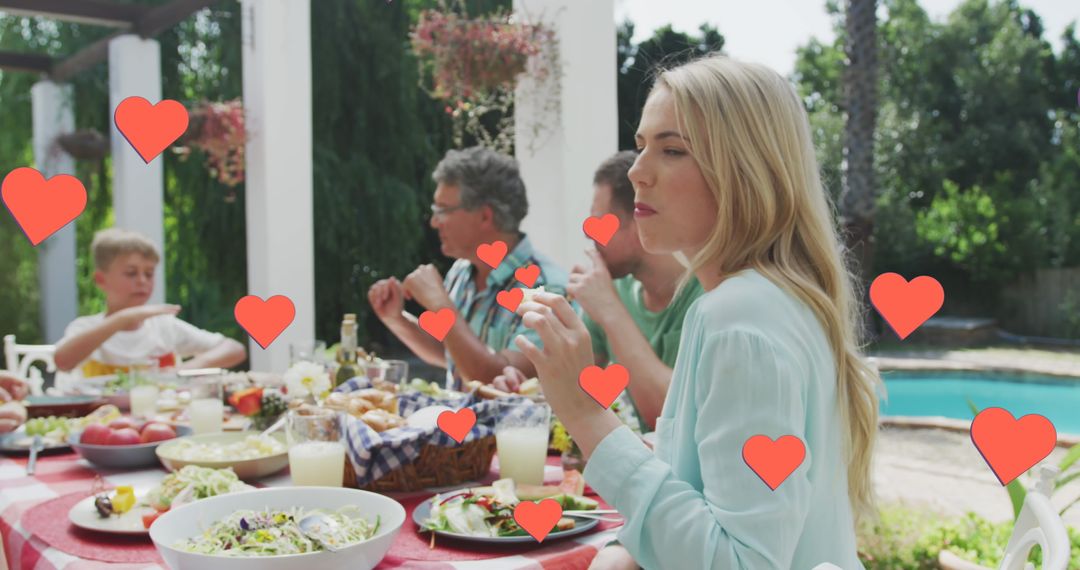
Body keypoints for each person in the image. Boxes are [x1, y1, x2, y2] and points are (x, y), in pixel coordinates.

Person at [513, 55, 881, 569]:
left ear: (745, 171)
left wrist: (582, 412)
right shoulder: (774, 301)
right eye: (642, 147)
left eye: (672, 150)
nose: (638, 172)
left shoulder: (739, 318)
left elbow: (739, 562)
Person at [494, 151, 702, 432]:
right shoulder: (613, 290)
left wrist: (610, 310)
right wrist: (525, 389)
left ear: (640, 220)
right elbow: (578, 390)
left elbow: (670, 416)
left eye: (599, 223)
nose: (590, 236)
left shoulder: (703, 298)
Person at [368, 146, 567, 387]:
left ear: (485, 216)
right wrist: (396, 319)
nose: (433, 222)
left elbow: (498, 380)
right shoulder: (462, 270)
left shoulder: (547, 289)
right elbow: (453, 354)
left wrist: (440, 303)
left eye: (442, 210)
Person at [54, 228, 247, 375]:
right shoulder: (84, 327)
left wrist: (184, 370)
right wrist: (123, 318)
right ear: (101, 280)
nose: (142, 281)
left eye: (149, 273)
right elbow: (63, 361)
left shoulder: (164, 328)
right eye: (131, 273)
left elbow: (234, 349)